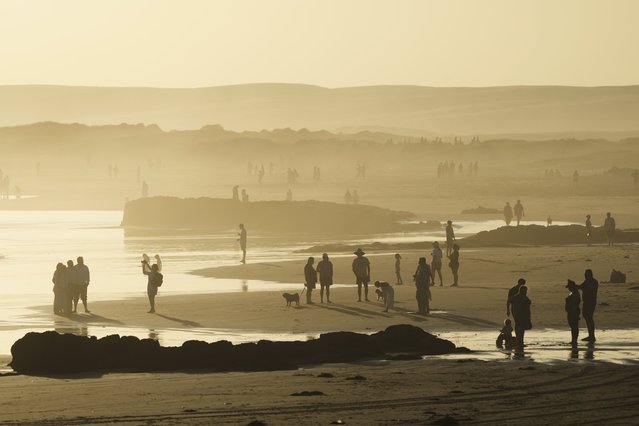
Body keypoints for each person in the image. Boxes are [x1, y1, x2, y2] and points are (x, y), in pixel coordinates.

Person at [577, 269, 598, 342]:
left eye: (586, 274)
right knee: (588, 318)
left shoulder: (591, 282)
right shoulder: (591, 281)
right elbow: (581, 287)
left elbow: (582, 287)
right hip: (588, 302)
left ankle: (591, 336)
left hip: (590, 302)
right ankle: (591, 335)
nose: (585, 276)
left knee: (589, 318)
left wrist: (575, 286)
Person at [509, 285, 532, 351]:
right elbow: (527, 308)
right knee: (521, 329)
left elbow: (511, 302)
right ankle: (520, 342)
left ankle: (519, 341)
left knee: (518, 327)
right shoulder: (524, 298)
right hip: (523, 316)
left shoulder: (515, 297)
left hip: (516, 315)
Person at [565, 279, 581, 345]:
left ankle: (574, 340)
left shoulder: (575, 294)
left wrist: (573, 312)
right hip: (571, 311)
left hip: (573, 312)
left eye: (569, 287)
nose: (568, 288)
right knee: (573, 326)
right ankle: (573, 340)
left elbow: (575, 304)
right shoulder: (572, 293)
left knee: (574, 326)